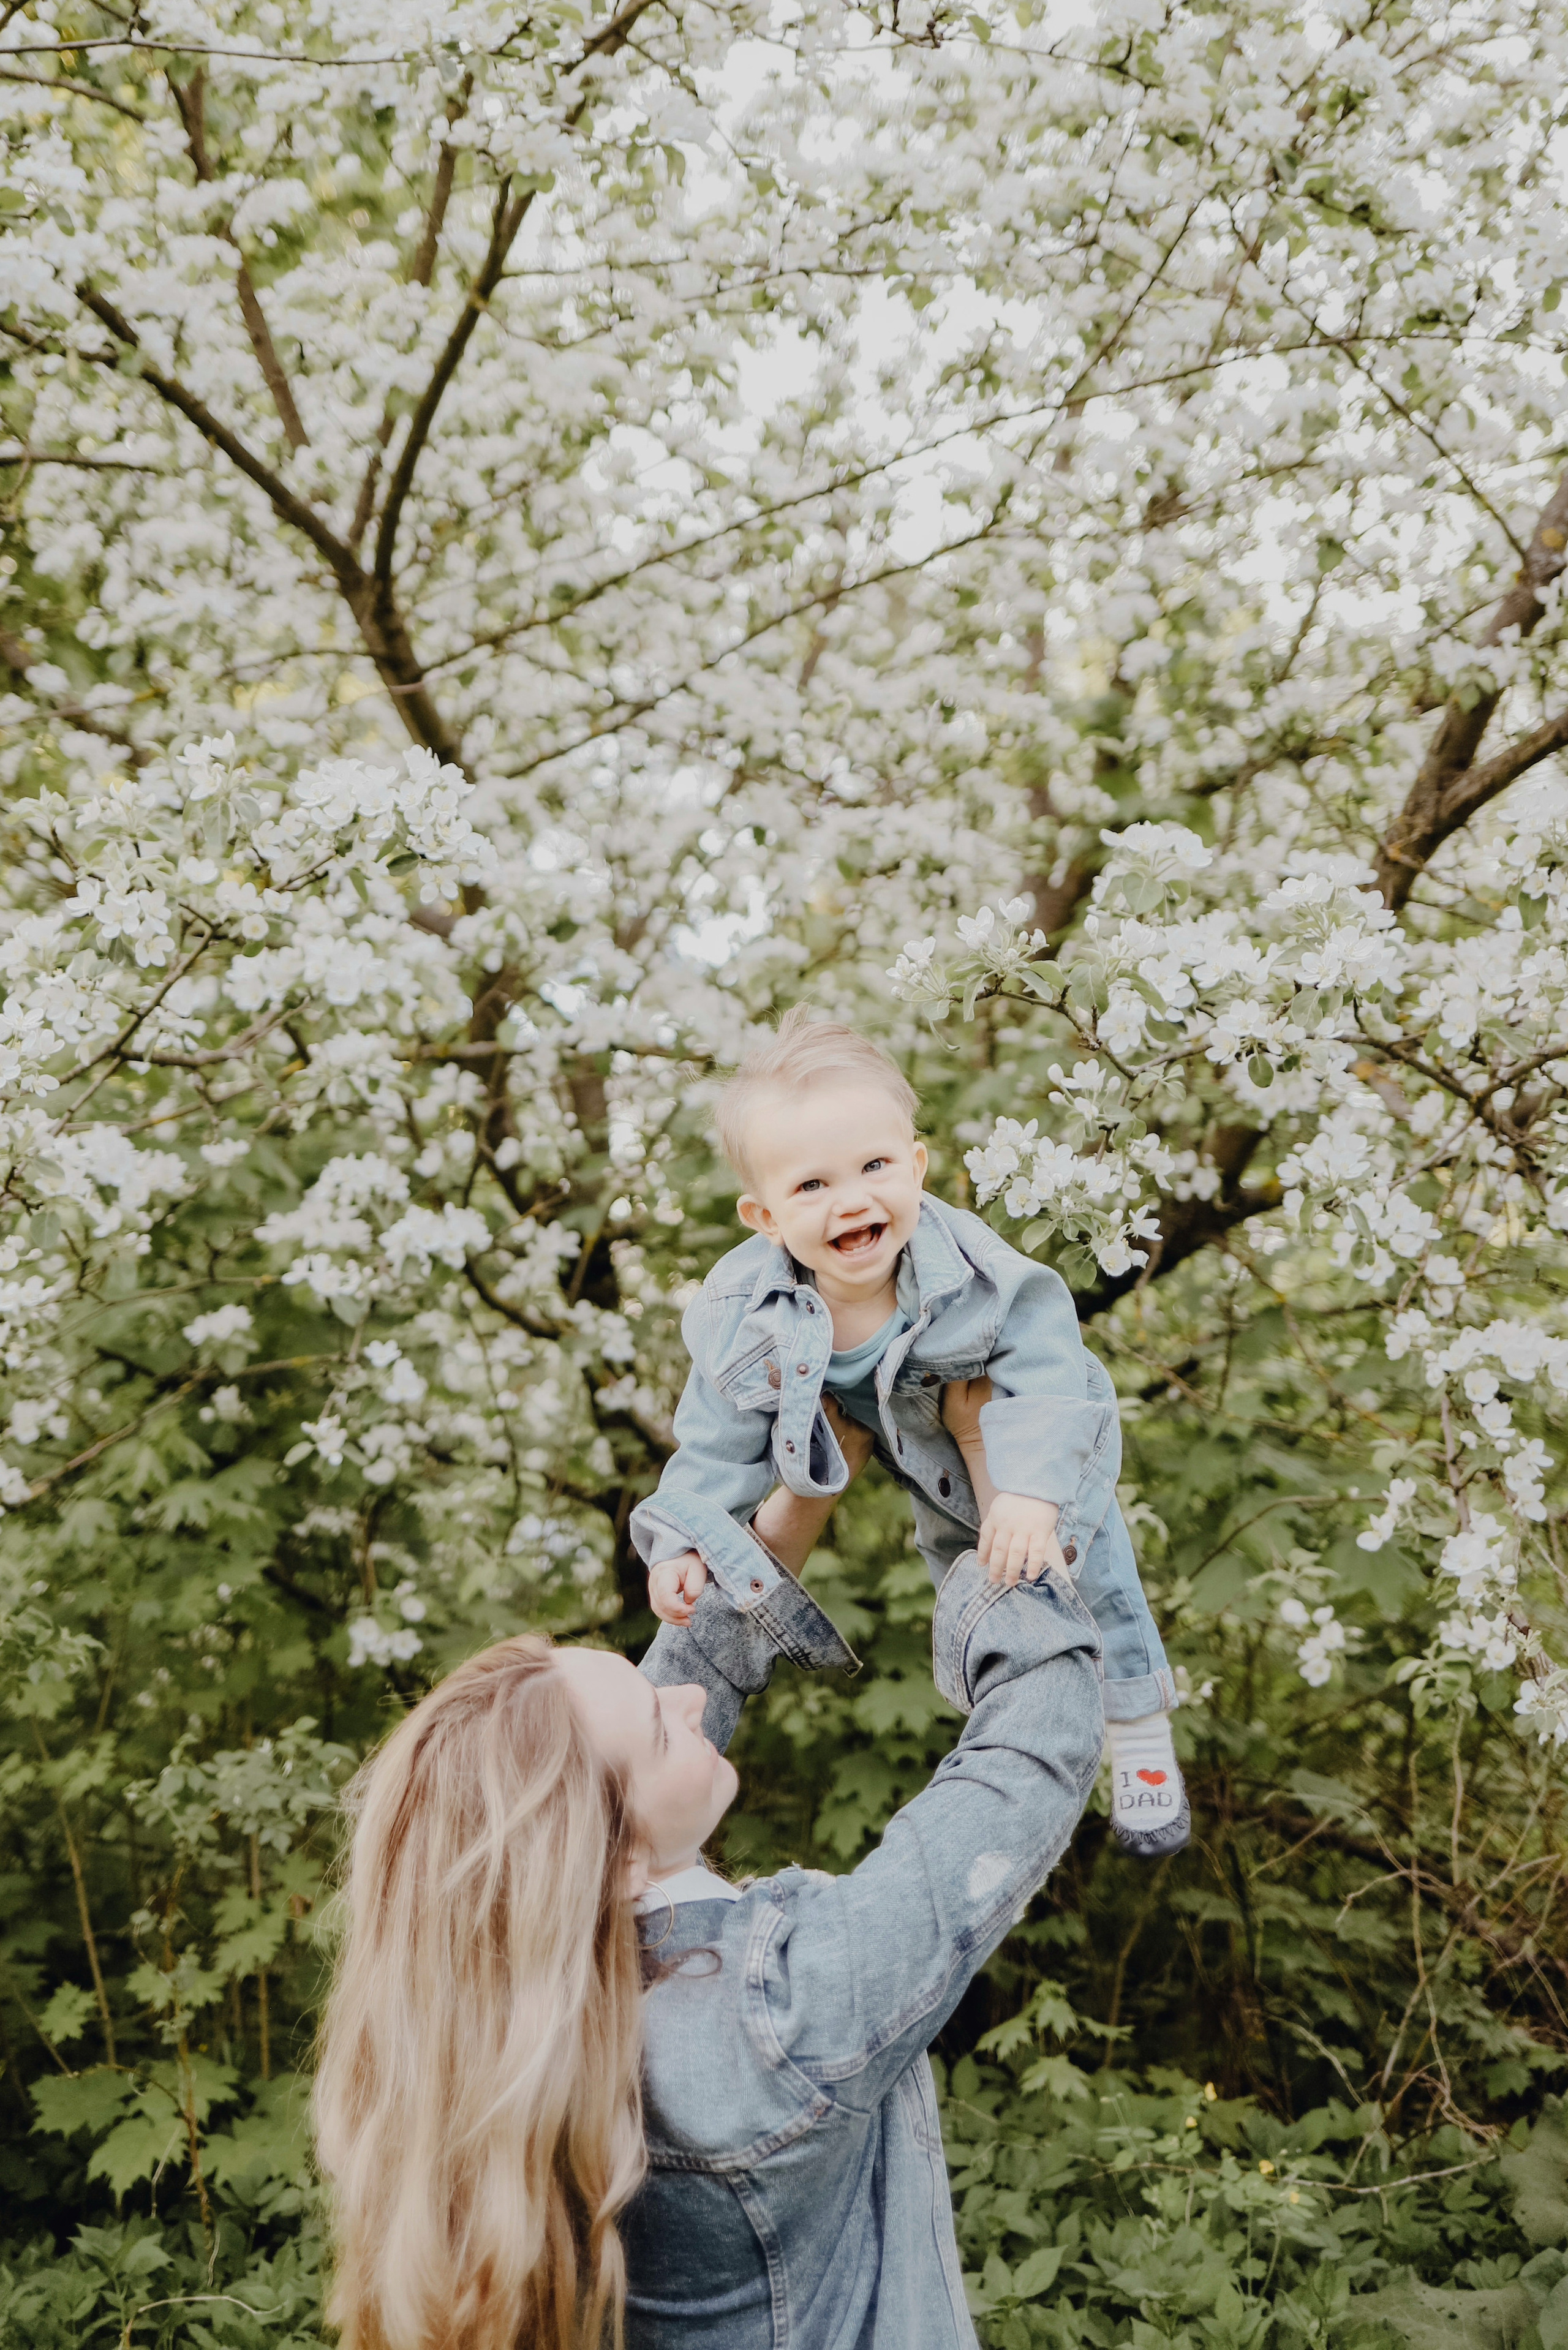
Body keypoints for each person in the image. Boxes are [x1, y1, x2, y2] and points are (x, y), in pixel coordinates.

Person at [314, 1392, 1103, 2350]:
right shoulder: (787, 2013)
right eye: (660, 1726)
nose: (685, 1698)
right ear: (613, 1857)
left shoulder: (502, 2036)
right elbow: (1034, 1750)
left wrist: (812, 1481)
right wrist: (990, 1459)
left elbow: (678, 1690)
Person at [630, 1005, 1186, 1855]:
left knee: (1086, 1564)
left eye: (875, 1166)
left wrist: (1031, 1492)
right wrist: (681, 1542)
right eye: (811, 1187)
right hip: (918, 1454)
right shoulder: (741, 1312)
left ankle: (1140, 1728)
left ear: (917, 1168)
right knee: (970, 1585)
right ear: (765, 1218)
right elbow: (715, 1438)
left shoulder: (973, 1271)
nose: (852, 1199)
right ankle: (1014, 1726)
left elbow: (1049, 1360)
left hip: (1025, 1430)